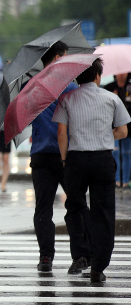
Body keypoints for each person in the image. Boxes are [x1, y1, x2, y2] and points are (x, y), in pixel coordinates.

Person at [53, 58, 130, 283]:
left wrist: (65, 161)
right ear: (98, 76)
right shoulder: (112, 98)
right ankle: (99, 267)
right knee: (104, 212)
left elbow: (61, 134)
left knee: (75, 207)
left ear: (77, 78)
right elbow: (123, 131)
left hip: (76, 160)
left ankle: (80, 256)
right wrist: (106, 135)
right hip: (103, 160)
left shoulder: (66, 99)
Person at [25, 41, 82, 273]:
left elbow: (27, 118)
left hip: (40, 154)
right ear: (57, 57)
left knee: (43, 209)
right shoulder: (69, 87)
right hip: (65, 154)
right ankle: (80, 256)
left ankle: (46, 257)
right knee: (76, 204)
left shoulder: (31, 87)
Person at [104, 73, 131, 189]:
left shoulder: (130, 87)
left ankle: (125, 180)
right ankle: (116, 180)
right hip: (113, 126)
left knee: (127, 153)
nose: (121, 74)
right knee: (115, 153)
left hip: (129, 127)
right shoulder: (109, 88)